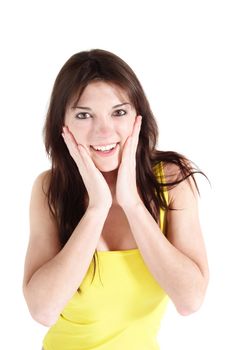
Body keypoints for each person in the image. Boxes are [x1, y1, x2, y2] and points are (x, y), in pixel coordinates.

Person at [22, 49, 209, 350]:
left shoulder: (172, 179)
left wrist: (133, 205)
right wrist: (96, 209)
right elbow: (43, 311)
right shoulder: (50, 189)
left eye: (118, 112)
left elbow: (190, 300)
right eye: (84, 115)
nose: (104, 130)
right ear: (63, 124)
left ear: (138, 116)